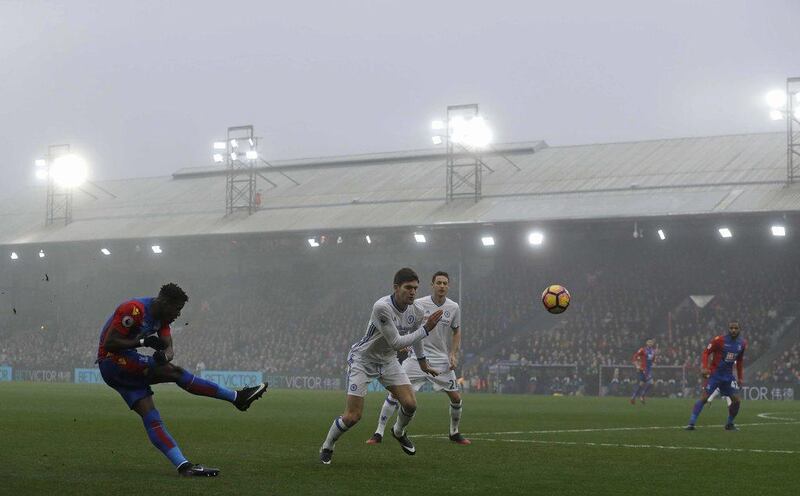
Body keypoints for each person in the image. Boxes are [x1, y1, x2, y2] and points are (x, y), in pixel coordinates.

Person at [96, 283, 268, 476]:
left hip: (121, 370)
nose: (178, 314)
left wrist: (164, 356)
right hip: (112, 361)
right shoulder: (133, 309)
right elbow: (109, 343)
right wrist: (143, 342)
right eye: (177, 309)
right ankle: (237, 397)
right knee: (175, 373)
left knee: (151, 417)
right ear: (163, 302)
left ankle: (184, 466)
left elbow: (169, 350)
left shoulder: (162, 320)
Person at [318, 268, 443, 464]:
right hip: (363, 360)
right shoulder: (381, 307)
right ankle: (328, 445)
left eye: (415, 288)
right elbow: (397, 342)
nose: (412, 292)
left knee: (410, 404)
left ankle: (398, 431)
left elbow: (416, 339)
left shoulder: (417, 310)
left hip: (388, 361)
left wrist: (423, 362)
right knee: (352, 416)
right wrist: (426, 329)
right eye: (408, 287)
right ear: (396, 288)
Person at [366, 271, 470, 445]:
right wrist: (402, 341)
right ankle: (378, 432)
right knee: (394, 394)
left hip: (441, 359)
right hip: (416, 358)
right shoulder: (418, 304)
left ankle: (454, 432)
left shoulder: (453, 307)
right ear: (432, 285)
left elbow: (456, 330)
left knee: (456, 398)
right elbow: (403, 322)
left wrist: (453, 353)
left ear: (448, 286)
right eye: (439, 283)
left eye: (445, 283)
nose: (442, 286)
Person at [685, 321, 746, 431]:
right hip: (715, 374)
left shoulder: (742, 344)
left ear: (739, 329)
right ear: (728, 329)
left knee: (737, 401)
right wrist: (704, 367)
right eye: (731, 328)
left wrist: (740, 377)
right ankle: (691, 423)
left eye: (735, 328)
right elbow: (706, 352)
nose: (733, 330)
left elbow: (740, 361)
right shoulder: (719, 340)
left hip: (728, 377)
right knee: (704, 398)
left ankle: (729, 424)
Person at [630, 339, 656, 404]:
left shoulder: (653, 351)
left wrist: (654, 362)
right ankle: (642, 396)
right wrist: (636, 365)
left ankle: (633, 397)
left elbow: (653, 360)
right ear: (646, 343)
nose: (650, 343)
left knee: (641, 383)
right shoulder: (642, 350)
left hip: (648, 369)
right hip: (644, 369)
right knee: (651, 382)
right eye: (649, 342)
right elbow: (635, 356)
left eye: (651, 342)